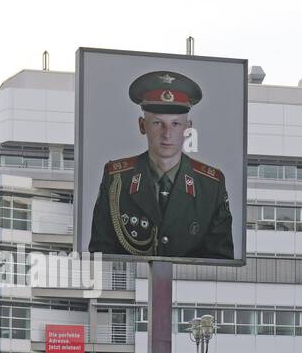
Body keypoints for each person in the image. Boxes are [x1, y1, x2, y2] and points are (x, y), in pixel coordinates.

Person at [88, 71, 234, 259]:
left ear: (188, 128)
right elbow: (101, 256)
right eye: (158, 123)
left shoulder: (211, 185)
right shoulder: (117, 179)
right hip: (134, 286)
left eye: (175, 124)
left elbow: (221, 263)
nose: (167, 134)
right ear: (142, 126)